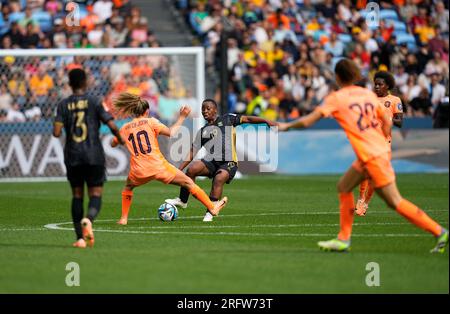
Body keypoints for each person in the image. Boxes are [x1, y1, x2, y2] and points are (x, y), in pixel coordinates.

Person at [278, 59, 448, 253]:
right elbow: (386, 121)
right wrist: (379, 138)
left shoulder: (337, 98)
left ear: (338, 77)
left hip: (372, 155)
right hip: (376, 151)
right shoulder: (367, 95)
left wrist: (286, 126)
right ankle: (343, 238)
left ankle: (439, 231)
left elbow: (309, 121)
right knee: (344, 186)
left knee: (395, 201)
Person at [111, 94, 227, 225]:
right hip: (158, 166)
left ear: (133, 111)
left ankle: (123, 219)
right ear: (147, 111)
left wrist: (117, 141)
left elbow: (113, 143)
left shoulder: (125, 128)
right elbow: (172, 132)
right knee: (188, 183)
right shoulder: (151, 122)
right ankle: (212, 207)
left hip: (138, 170)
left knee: (128, 187)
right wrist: (182, 116)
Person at [165, 98, 277, 222]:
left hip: (229, 162)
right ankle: (183, 200)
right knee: (192, 170)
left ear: (215, 110)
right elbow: (192, 151)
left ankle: (210, 211)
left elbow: (248, 119)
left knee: (219, 178)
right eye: (203, 109)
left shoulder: (228, 119)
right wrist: (179, 169)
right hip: (212, 162)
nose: (205, 111)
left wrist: (265, 120)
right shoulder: (202, 131)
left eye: (208, 108)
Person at [53, 68, 124, 248]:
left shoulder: (62, 105)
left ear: (69, 84)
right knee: (96, 194)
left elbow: (56, 132)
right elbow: (112, 125)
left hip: (73, 155)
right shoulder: (95, 101)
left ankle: (79, 239)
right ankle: (89, 219)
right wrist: (121, 138)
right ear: (85, 83)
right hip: (94, 154)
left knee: (77, 195)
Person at [355, 71, 403, 216]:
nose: (376, 87)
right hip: (369, 140)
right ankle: (360, 200)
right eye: (375, 84)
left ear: (387, 86)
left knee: (375, 176)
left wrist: (388, 118)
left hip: (384, 142)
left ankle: (365, 203)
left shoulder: (395, 100)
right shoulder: (369, 99)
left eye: (379, 84)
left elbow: (400, 122)